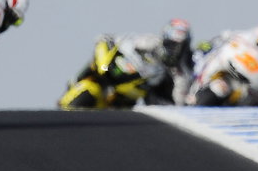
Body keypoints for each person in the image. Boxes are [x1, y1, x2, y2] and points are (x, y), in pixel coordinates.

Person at [59, 18, 194, 108]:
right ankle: (76, 81)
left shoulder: (182, 72)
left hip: (142, 91)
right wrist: (110, 47)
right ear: (164, 40)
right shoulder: (151, 41)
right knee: (97, 65)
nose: (174, 51)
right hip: (129, 71)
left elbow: (179, 103)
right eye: (171, 45)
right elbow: (123, 41)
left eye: (180, 47)